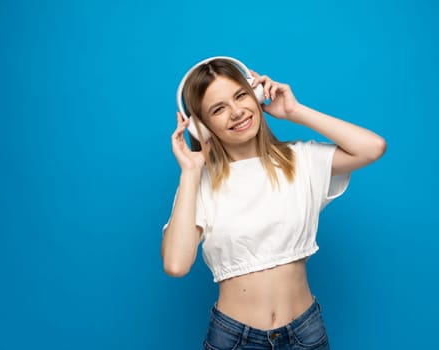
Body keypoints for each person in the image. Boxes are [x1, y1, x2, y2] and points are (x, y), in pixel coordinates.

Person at [161, 57, 386, 350]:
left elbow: (372, 148)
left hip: (306, 334)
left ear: (256, 95)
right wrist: (190, 173)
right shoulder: (200, 184)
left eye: (241, 95)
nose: (236, 112)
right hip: (234, 340)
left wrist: (295, 111)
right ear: (201, 128)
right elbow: (176, 265)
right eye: (218, 109)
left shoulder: (300, 160)